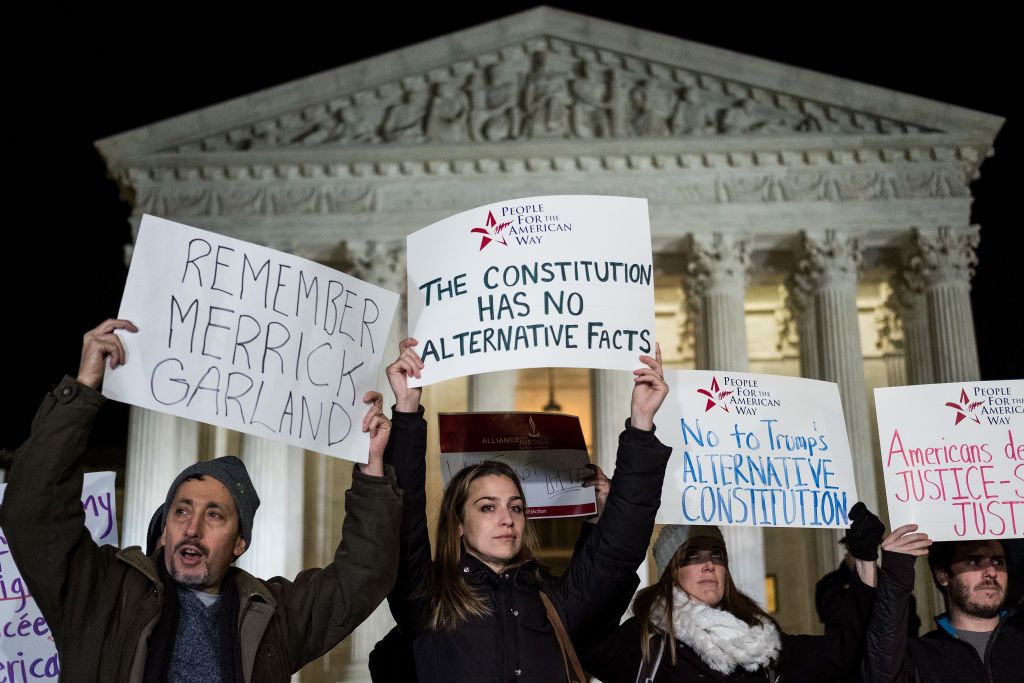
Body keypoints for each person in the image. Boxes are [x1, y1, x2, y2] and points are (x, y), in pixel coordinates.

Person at [0, 319, 402, 681]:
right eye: (181, 511)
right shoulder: (100, 595)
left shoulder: (273, 617)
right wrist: (83, 391)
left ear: (240, 542)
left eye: (214, 515)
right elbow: (32, 509)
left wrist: (372, 470)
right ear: (164, 529)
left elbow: (365, 574)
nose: (192, 528)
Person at [381, 338, 672, 681]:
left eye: (516, 507)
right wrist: (406, 411)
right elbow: (404, 518)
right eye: (487, 507)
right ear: (458, 522)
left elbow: (618, 550)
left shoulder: (553, 603)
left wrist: (641, 423)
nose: (507, 518)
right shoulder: (429, 600)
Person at [586, 504, 884, 682]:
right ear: (670, 572)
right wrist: (606, 528)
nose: (708, 565)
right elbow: (588, 638)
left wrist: (865, 560)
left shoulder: (760, 636)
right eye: (692, 555)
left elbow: (843, 651)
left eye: (716, 555)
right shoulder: (645, 640)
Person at [861, 525, 1022, 682]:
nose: (992, 572)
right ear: (943, 576)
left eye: (998, 562)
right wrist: (896, 575)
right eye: (974, 561)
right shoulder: (920, 656)